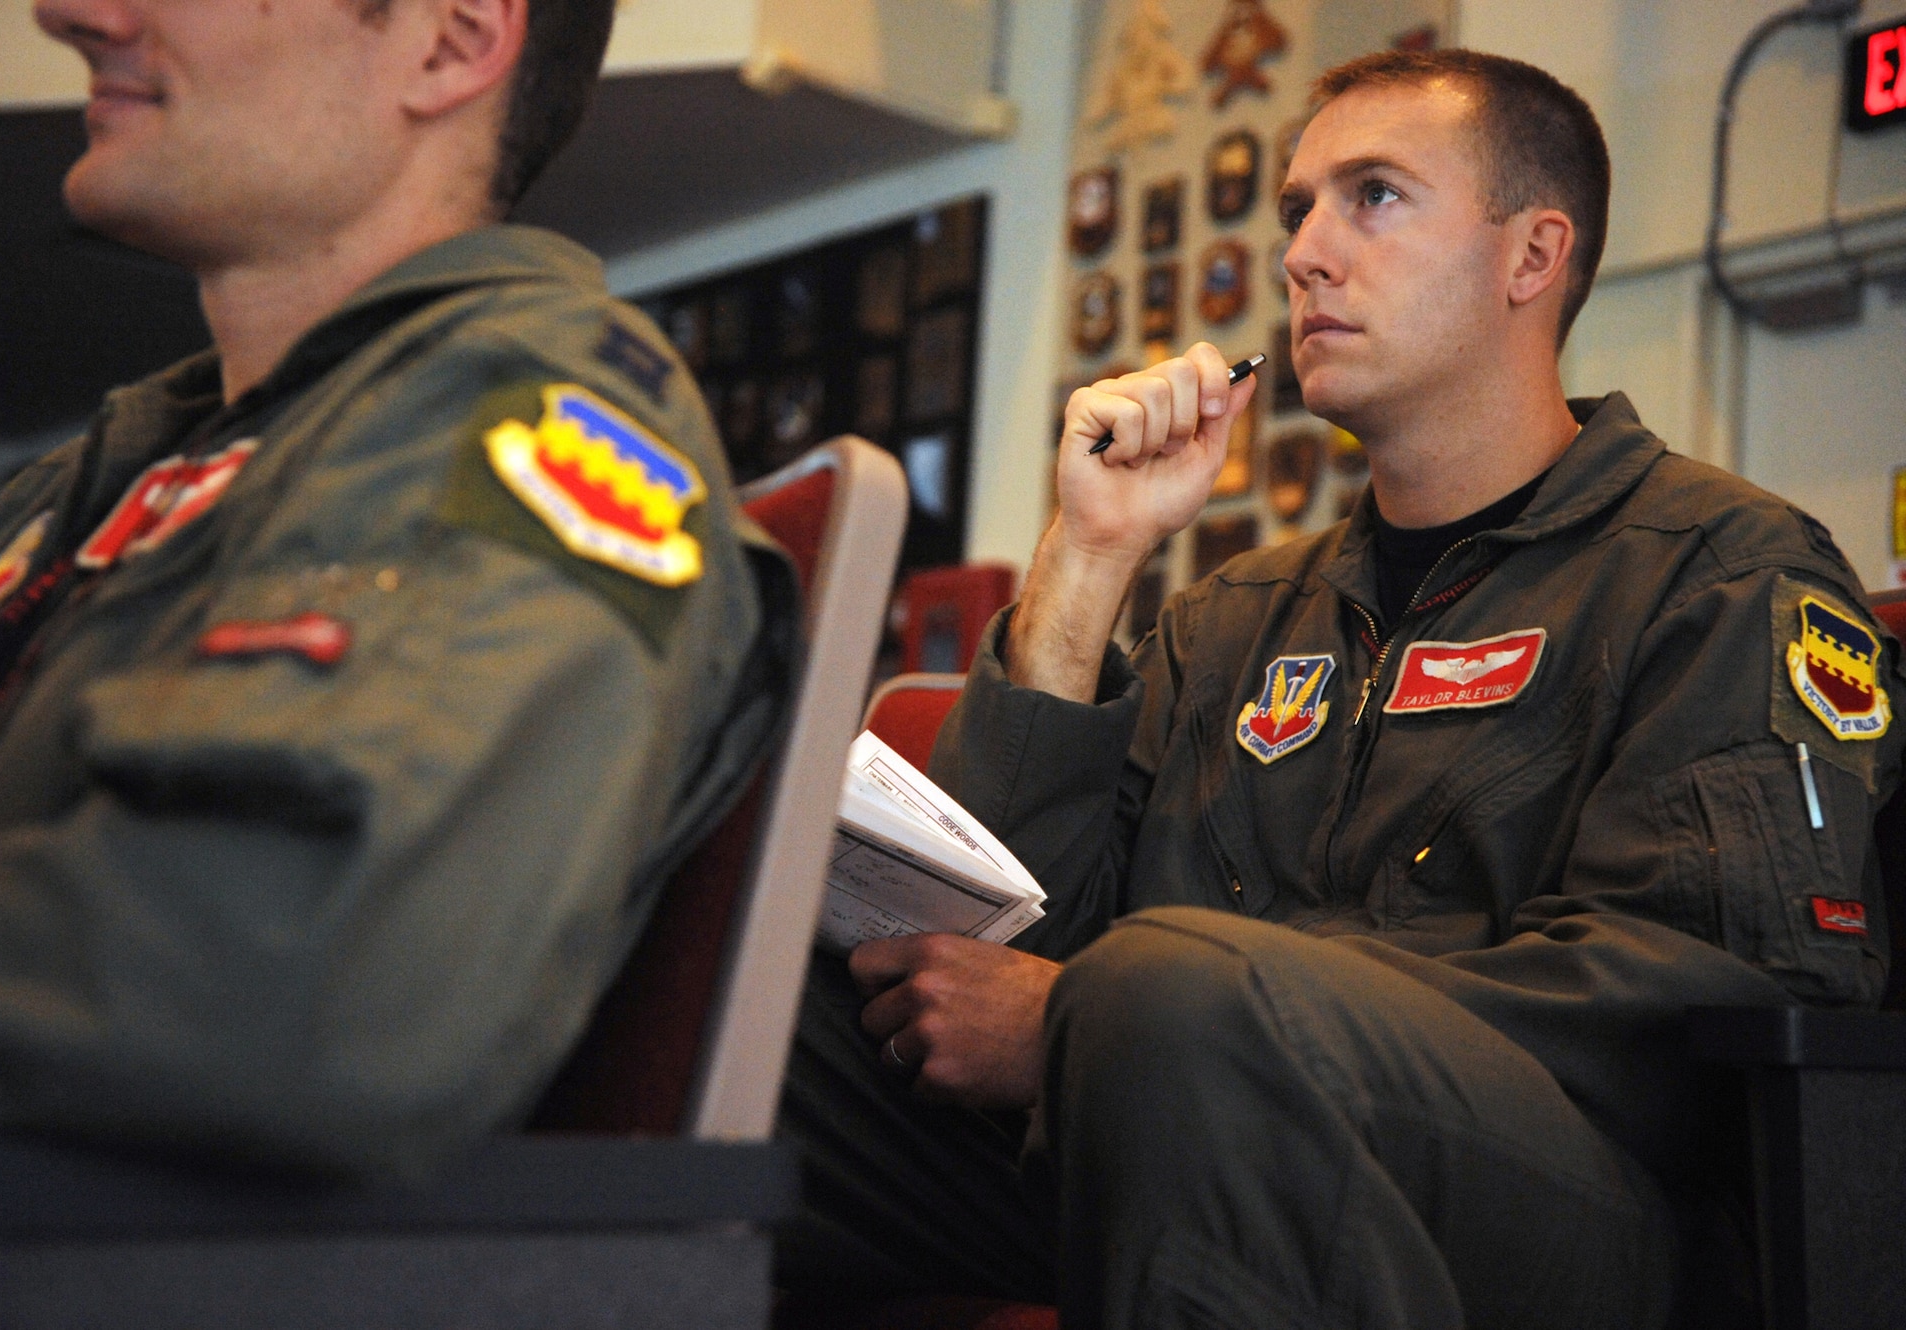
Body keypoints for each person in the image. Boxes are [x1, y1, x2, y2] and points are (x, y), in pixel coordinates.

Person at [777, 49, 1902, 1329]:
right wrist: (1088, 553)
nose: (1305, 254)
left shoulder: (1721, 570)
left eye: (1371, 196)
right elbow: (996, 942)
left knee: (1166, 996)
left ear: (1530, 256)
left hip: (1561, 1210)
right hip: (1166, 1118)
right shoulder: (1237, 616)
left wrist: (1095, 1018)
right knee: (747, 1026)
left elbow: (1702, 990)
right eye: (1295, 211)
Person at [0, 0, 794, 1179]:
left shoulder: (524, 412)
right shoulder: (99, 474)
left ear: (451, 40)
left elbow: (282, 979)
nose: (71, 13)